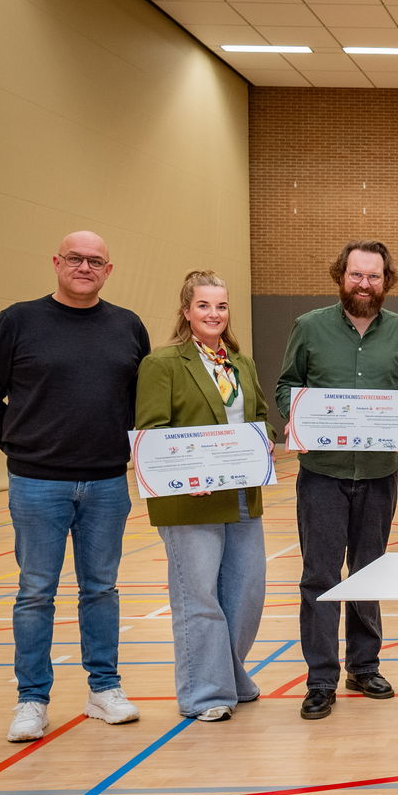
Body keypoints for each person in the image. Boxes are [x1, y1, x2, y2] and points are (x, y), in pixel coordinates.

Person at [0, 232, 150, 743]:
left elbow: (139, 401)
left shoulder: (127, 326)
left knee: (101, 590)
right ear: (56, 262)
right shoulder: (16, 321)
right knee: (36, 593)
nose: (84, 266)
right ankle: (32, 699)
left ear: (109, 269)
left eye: (94, 260)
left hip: (105, 482)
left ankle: (104, 688)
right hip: (37, 483)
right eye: (75, 258)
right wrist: (19, 445)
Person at [276, 239, 398, 721]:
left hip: (380, 473)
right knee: (319, 577)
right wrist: (294, 417)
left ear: (387, 281)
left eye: (374, 276)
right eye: (357, 275)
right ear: (341, 276)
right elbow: (287, 385)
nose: (365, 284)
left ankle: (364, 666)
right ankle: (320, 679)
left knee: (368, 573)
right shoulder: (309, 327)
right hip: (323, 473)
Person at [135, 271, 270, 721]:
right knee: (199, 598)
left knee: (247, 593)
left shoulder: (240, 362)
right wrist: (192, 470)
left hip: (241, 494)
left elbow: (260, 416)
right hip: (189, 499)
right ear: (186, 311)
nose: (214, 314)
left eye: (221, 306)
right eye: (204, 306)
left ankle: (229, 675)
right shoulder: (164, 363)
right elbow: (151, 433)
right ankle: (205, 694)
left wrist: (264, 441)